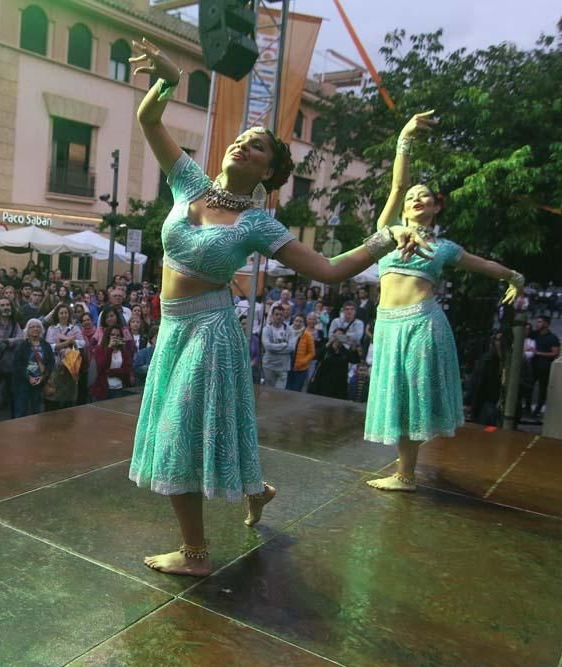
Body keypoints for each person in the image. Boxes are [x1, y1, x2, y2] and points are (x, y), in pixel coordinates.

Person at [126, 38, 430, 576]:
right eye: (241, 139)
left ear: (269, 173)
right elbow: (149, 119)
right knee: (197, 428)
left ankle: (195, 553)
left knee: (180, 432)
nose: (244, 145)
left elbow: (333, 270)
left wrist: (386, 239)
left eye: (258, 147)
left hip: (210, 331)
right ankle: (257, 489)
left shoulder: (260, 225)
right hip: (171, 330)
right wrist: (170, 81)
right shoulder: (188, 181)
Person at [364, 111, 526, 492]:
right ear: (403, 208)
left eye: (426, 197)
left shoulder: (444, 247)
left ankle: (405, 474)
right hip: (388, 324)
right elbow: (397, 181)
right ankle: (405, 472)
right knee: (398, 396)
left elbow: (482, 263)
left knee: (413, 397)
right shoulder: (387, 230)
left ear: (436, 208)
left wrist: (514, 276)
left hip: (423, 322)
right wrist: (405, 137)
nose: (417, 198)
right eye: (412, 198)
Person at [0, 297, 23, 417]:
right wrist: (10, 343)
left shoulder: (15, 324)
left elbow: (21, 341)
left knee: (13, 397)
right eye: (2, 305)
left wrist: (4, 341)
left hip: (11, 366)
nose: (6, 307)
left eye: (7, 304)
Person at [12, 318, 54, 417]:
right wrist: (28, 377)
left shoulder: (46, 345)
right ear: (27, 330)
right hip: (23, 384)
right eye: (32, 327)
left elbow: (51, 363)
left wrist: (43, 377)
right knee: (21, 412)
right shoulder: (22, 345)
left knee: (37, 412)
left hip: (40, 383)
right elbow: (17, 365)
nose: (35, 329)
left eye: (38, 326)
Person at [91, 324, 133, 401]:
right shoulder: (100, 349)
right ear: (107, 336)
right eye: (112, 335)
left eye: (117, 335)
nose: (115, 337)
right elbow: (101, 366)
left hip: (119, 388)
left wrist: (112, 372)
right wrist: (109, 348)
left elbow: (127, 369)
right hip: (103, 388)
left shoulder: (124, 352)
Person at [529, 315, 560, 417]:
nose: (537, 324)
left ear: (546, 324)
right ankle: (528, 408)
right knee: (528, 387)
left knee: (542, 390)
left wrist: (538, 353)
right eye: (537, 322)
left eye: (540, 322)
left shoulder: (552, 338)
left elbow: (555, 353)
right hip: (533, 366)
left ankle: (537, 411)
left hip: (545, 367)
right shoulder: (535, 335)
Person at [261, 305, 289, 388]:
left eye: (281, 315)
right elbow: (267, 346)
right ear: (272, 315)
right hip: (269, 365)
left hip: (283, 366)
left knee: (280, 393)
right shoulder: (266, 329)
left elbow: (291, 347)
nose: (279, 317)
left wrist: (274, 348)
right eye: (276, 314)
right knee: (269, 392)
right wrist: (283, 345)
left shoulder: (288, 329)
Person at [286, 313, 315, 392]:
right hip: (287, 365)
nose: (298, 323)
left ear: (304, 323)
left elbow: (312, 353)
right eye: (296, 321)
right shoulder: (287, 332)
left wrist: (302, 361)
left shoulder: (308, 335)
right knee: (286, 389)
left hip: (301, 368)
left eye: (300, 321)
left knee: (296, 390)